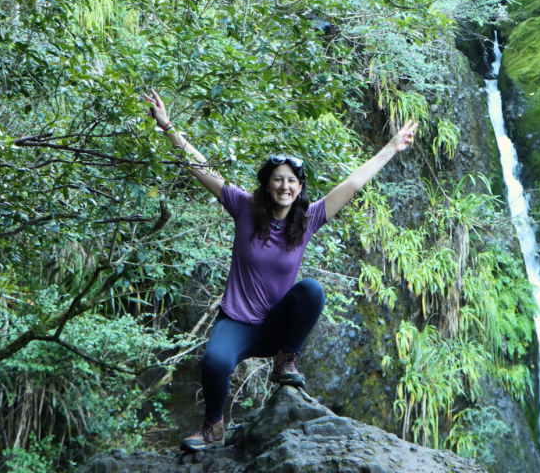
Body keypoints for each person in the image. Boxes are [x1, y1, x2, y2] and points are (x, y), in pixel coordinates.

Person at [142, 89, 417, 451]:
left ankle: (286, 360)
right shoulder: (242, 206)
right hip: (238, 322)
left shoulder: (309, 219)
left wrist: (392, 147)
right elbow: (200, 167)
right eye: (278, 179)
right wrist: (167, 128)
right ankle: (213, 425)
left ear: (299, 187)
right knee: (214, 361)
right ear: (267, 184)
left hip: (275, 327)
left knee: (312, 290)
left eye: (291, 180)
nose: (285, 185)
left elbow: (353, 183)